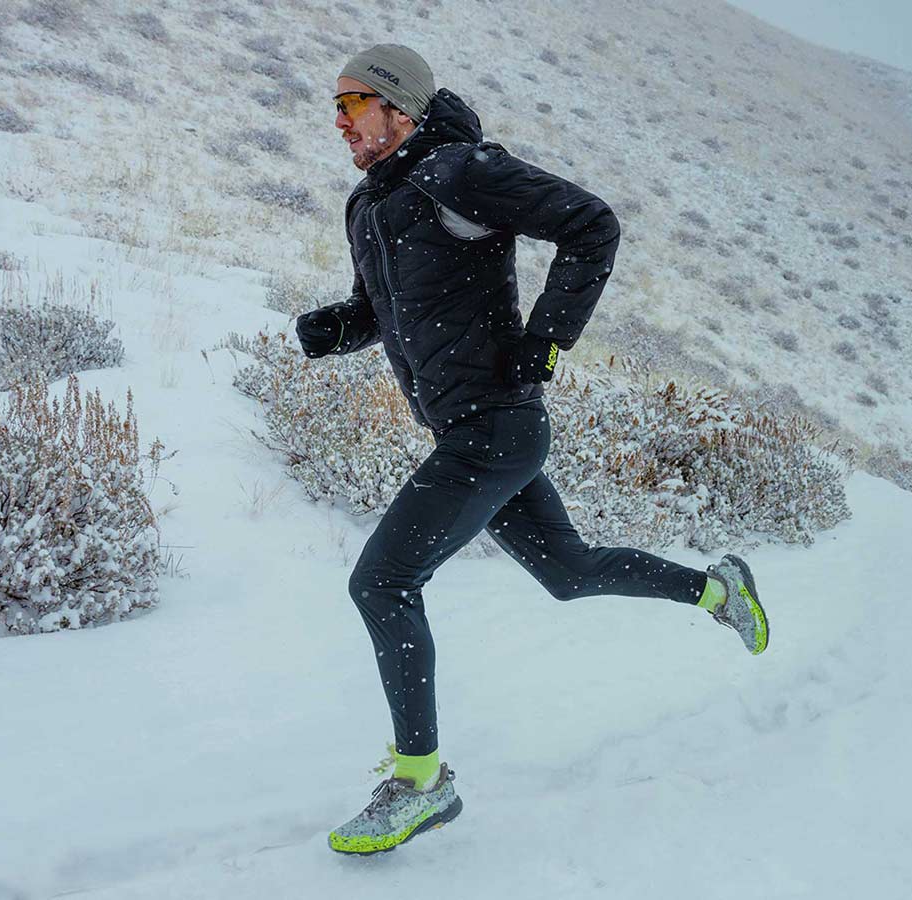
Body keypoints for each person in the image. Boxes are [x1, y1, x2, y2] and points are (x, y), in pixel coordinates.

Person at [296, 44, 770, 855]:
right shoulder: (369, 204)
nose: (336, 121)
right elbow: (385, 308)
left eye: (350, 103)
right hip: (472, 432)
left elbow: (592, 224)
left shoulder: (458, 173)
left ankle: (421, 782)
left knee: (382, 583)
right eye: (332, 107)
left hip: (494, 428)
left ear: (398, 107)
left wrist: (549, 337)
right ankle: (717, 592)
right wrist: (340, 327)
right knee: (570, 573)